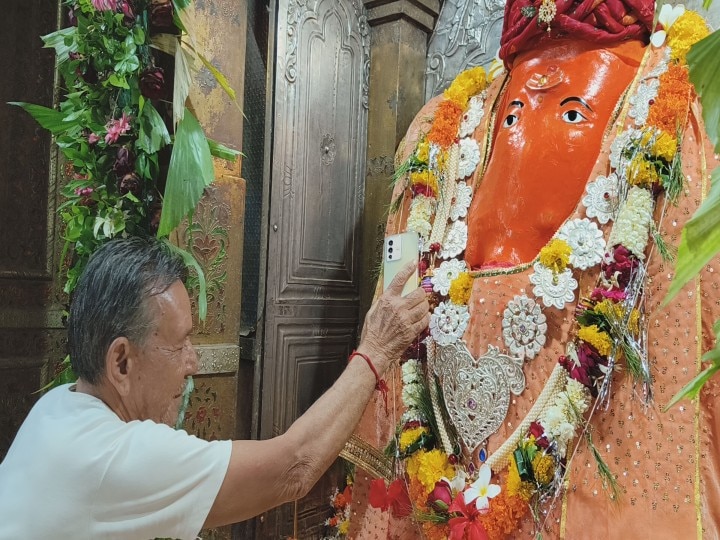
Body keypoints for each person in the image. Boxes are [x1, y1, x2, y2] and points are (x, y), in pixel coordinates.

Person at [344, 0, 720, 538]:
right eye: (516, 114)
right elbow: (403, 258)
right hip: (438, 422)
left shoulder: (681, 96)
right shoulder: (441, 125)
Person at [0, 236, 429, 539]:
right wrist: (375, 350)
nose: (193, 362)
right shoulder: (114, 459)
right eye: (180, 343)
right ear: (121, 362)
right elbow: (294, 468)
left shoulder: (58, 405)